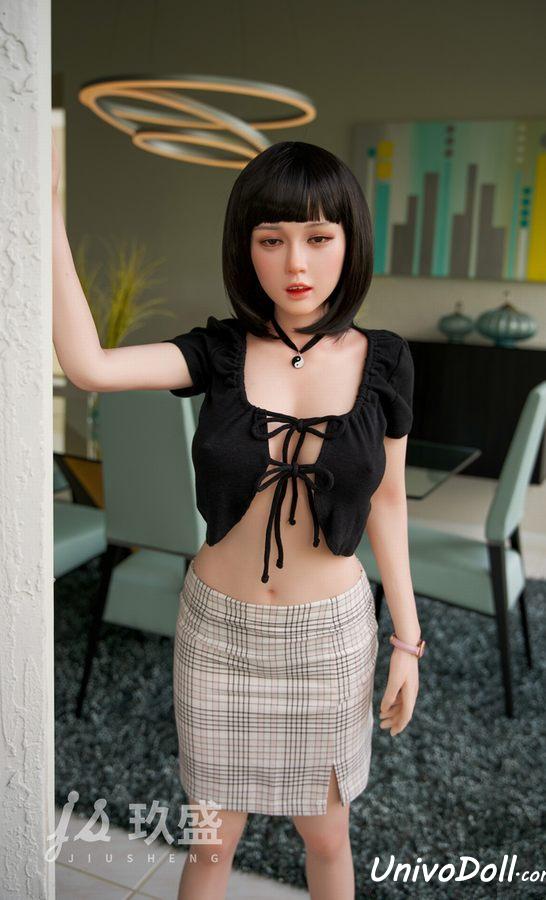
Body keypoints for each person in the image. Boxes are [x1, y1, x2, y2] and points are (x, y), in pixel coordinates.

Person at [52, 135, 425, 900]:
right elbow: (90, 367)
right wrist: (46, 213)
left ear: (349, 243)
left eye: (318, 238)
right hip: (217, 633)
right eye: (272, 239)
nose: (296, 264)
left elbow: (388, 501)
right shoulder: (217, 352)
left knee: (327, 837)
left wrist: (408, 641)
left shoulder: (385, 361)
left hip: (328, 638)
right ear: (245, 248)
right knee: (212, 843)